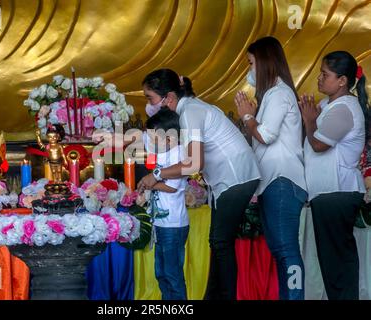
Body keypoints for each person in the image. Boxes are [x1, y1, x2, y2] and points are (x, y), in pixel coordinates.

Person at [137, 68, 261, 300]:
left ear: (169, 98)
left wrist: (157, 174)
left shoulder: (190, 112)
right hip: (228, 180)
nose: (149, 104)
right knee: (218, 242)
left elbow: (194, 163)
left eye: (149, 98)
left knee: (221, 242)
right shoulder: (190, 109)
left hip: (236, 177)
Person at [234, 36, 307, 300]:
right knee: (280, 250)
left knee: (286, 249)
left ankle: (295, 297)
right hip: (274, 182)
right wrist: (251, 117)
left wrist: (246, 116)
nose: (248, 70)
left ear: (265, 62)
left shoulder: (279, 93)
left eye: (251, 63)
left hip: (283, 181)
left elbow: (265, 135)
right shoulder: (272, 95)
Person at [299, 51, 369, 300]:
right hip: (327, 193)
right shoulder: (326, 105)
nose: (319, 78)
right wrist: (310, 120)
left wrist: (309, 121)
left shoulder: (345, 108)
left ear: (342, 81)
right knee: (332, 262)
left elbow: (319, 145)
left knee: (337, 262)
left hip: (338, 192)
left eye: (325, 74)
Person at [142, 107, 189, 300]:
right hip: (160, 224)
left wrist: (150, 184)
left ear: (169, 138)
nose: (151, 142)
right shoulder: (162, 152)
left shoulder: (178, 153)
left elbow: (172, 187)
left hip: (173, 225)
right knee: (161, 273)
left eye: (154, 139)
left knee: (172, 274)